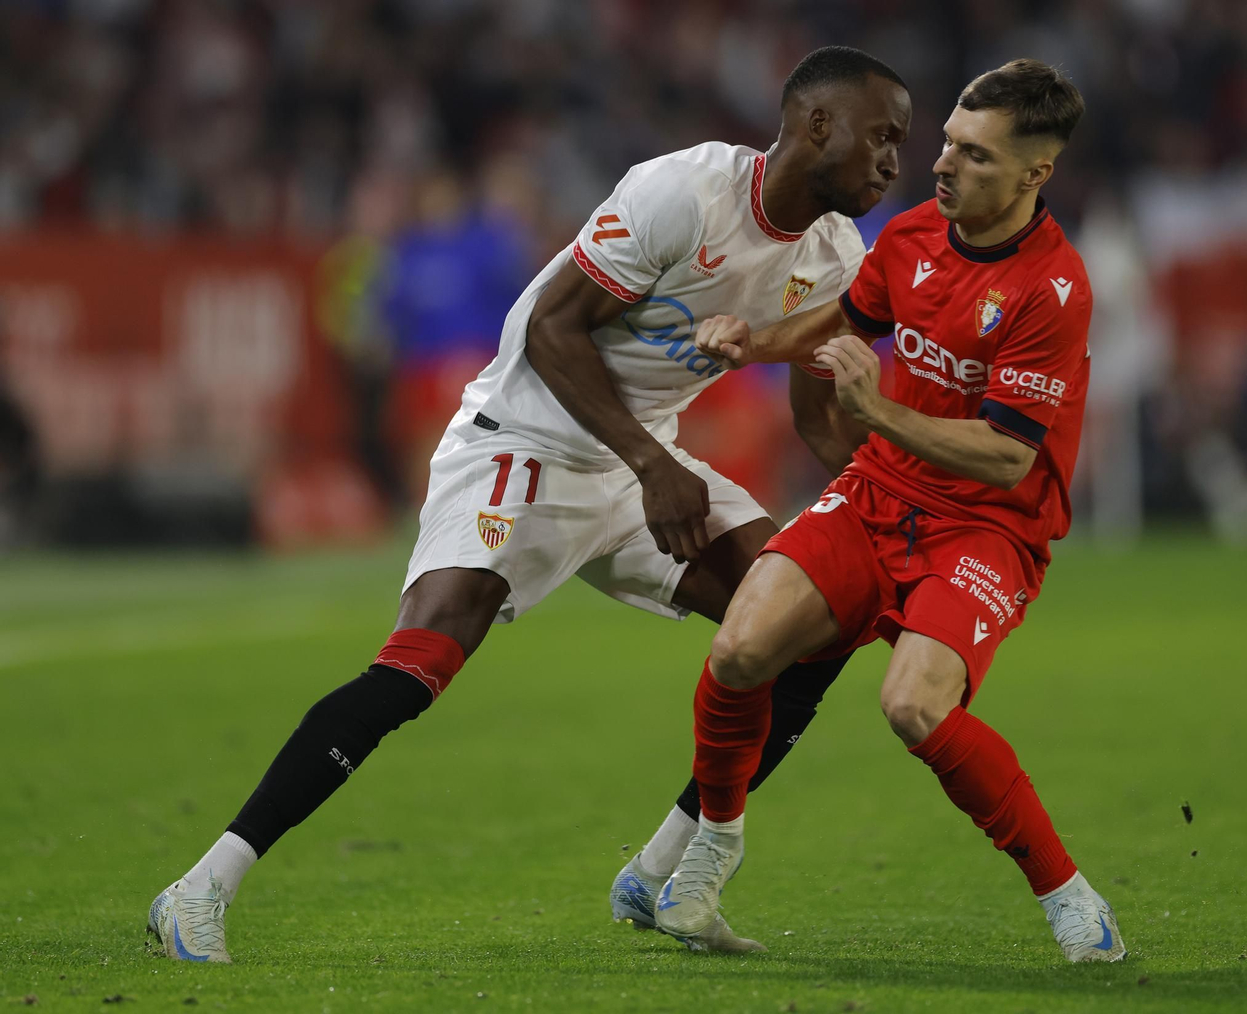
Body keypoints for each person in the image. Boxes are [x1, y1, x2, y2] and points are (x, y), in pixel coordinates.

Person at [146, 45, 912, 963]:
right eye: (883, 136)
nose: (893, 163)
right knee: (421, 659)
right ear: (818, 124)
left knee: (817, 620)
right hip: (522, 437)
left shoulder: (833, 254)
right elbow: (552, 327)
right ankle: (201, 887)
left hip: (643, 463)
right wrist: (651, 464)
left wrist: (903, 510)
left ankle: (664, 871)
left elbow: (816, 420)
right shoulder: (685, 191)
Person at [650, 59, 1127, 963]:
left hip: (988, 525)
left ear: (1036, 175)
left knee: (912, 706)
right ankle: (711, 849)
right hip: (883, 491)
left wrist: (876, 415)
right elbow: (841, 325)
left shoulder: (1051, 291)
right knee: (742, 646)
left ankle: (1070, 897)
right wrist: (752, 343)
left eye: (976, 157)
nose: (943, 166)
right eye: (947, 142)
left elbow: (1006, 456)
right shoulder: (912, 235)